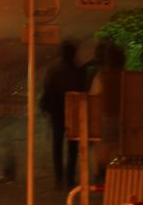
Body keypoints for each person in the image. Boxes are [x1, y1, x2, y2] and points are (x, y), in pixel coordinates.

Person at [39, 39, 86, 188]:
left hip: (57, 111)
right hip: (73, 111)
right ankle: (69, 177)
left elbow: (47, 89)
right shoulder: (78, 69)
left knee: (57, 144)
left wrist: (47, 105)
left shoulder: (54, 69)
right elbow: (83, 90)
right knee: (72, 145)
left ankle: (59, 177)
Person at [88, 40, 125, 178]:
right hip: (122, 120)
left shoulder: (101, 77)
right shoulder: (124, 76)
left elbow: (94, 99)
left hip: (104, 120)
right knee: (116, 151)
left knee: (102, 151)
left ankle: (102, 175)